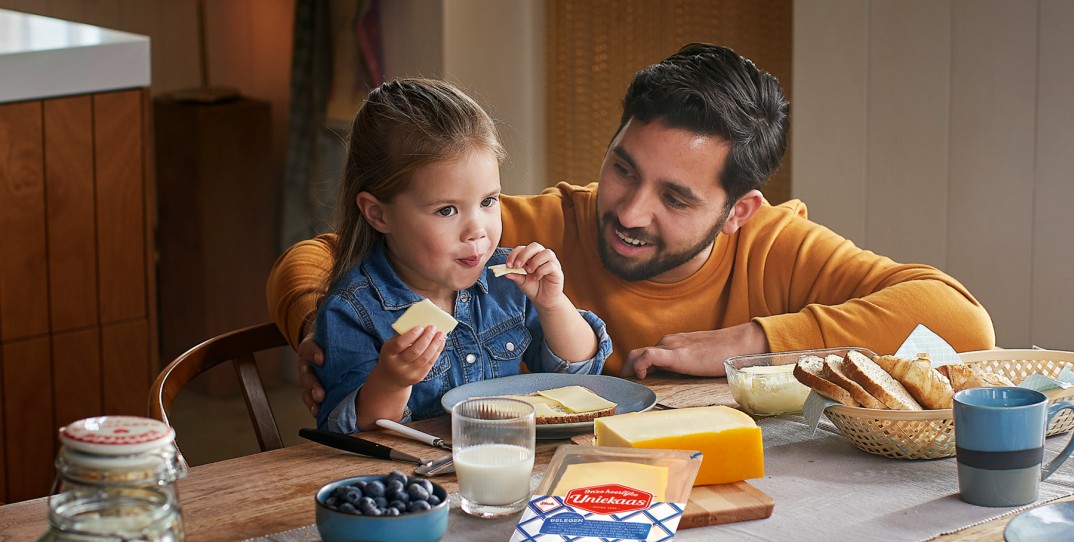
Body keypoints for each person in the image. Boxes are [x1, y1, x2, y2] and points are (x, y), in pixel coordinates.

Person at [268, 43, 995, 418]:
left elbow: (961, 320)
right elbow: (315, 256)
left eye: (675, 197)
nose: (627, 210)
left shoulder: (776, 248)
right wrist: (324, 337)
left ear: (738, 211)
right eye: (623, 167)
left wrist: (751, 341)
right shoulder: (531, 229)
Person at [312, 79, 610, 433]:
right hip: (415, 480)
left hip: (505, 463)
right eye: (447, 210)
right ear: (379, 214)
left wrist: (553, 304)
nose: (477, 231)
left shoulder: (507, 283)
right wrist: (390, 382)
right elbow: (345, 433)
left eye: (487, 202)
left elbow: (579, 374)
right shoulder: (354, 311)